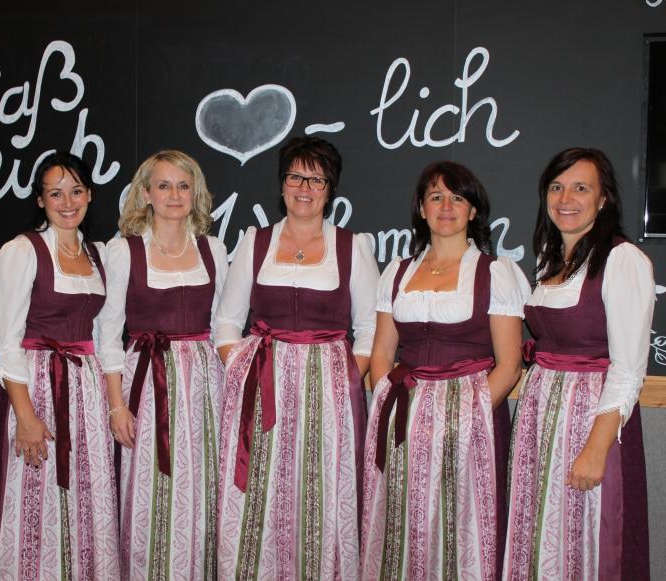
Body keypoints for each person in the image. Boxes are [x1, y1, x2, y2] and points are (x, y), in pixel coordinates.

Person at [214, 136, 379, 580]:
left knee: (319, 496)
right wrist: (242, 368)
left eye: (316, 179)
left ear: (330, 188)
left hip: (327, 402)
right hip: (260, 390)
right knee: (260, 499)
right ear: (282, 184)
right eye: (295, 176)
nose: (304, 187)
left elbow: (368, 330)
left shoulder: (353, 247)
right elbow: (226, 322)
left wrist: (343, 380)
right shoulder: (255, 242)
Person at [360, 161, 529, 580]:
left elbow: (509, 365)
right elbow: (383, 352)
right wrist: (394, 405)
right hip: (402, 418)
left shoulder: (496, 272)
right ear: (421, 208)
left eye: (458, 197)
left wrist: (460, 418)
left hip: (471, 421)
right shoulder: (397, 272)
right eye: (436, 196)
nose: (446, 206)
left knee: (462, 525)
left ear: (474, 211)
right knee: (401, 522)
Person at [503, 148, 654, 580]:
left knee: (590, 539)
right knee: (542, 540)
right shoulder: (552, 256)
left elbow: (627, 370)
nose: (566, 197)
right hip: (541, 418)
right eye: (556, 187)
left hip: (588, 422)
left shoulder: (622, 260)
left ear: (603, 199)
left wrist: (595, 450)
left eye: (581, 188)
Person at [0, 151, 120, 580]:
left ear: (90, 195)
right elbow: (6, 342)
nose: (67, 201)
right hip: (36, 387)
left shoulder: (98, 255)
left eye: (76, 191)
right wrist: (26, 416)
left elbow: (103, 333)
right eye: (55, 193)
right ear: (40, 200)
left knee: (83, 501)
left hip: (86, 389)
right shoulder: (22, 251)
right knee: (35, 502)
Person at [96, 150, 228, 580]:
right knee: (150, 492)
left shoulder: (214, 249)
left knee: (203, 490)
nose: (175, 194)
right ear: (147, 193)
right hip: (147, 386)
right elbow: (108, 333)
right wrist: (116, 405)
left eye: (183, 186)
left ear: (196, 194)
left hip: (206, 387)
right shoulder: (122, 252)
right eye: (165, 185)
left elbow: (226, 325)